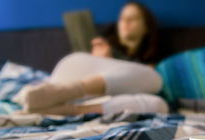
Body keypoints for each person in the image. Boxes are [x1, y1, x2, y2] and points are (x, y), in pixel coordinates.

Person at [18, 2, 168, 116]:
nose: (125, 23)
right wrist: (102, 60)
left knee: (159, 103)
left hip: (101, 99)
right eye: (122, 18)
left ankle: (62, 110)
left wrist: (111, 62)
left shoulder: (154, 62)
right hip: (72, 82)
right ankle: (64, 91)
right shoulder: (103, 45)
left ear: (146, 27)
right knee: (153, 78)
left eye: (133, 18)